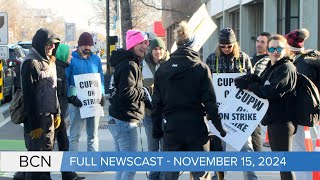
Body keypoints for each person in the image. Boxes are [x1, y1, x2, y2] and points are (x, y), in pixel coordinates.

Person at [152, 21, 226, 180]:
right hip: (196, 128)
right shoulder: (200, 68)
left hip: (172, 129)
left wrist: (157, 129)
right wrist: (219, 127)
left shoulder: (163, 69)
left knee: (170, 174)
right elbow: (210, 102)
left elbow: (156, 104)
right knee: (200, 174)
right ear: (193, 45)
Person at [235, 34, 297, 180]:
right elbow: (263, 83)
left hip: (283, 121)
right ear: (268, 50)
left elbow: (269, 91)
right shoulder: (273, 65)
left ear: (285, 49)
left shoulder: (286, 67)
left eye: (279, 48)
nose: (275, 51)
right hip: (274, 120)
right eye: (272, 48)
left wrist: (252, 85)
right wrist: (251, 79)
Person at [206, 28, 257, 180]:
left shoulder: (244, 58)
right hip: (219, 112)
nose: (226, 49)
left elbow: (253, 81)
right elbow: (206, 85)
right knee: (217, 148)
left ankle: (251, 177)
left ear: (235, 44)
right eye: (223, 46)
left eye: (229, 46)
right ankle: (218, 177)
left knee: (246, 147)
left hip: (240, 111)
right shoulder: (211, 59)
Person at [108, 29, 149, 180]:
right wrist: (143, 92)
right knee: (130, 167)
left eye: (145, 43)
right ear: (132, 44)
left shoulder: (124, 62)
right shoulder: (130, 64)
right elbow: (126, 93)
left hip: (118, 119)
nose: (144, 46)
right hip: (125, 121)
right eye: (140, 43)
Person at [20, 28, 61, 180]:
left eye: (54, 44)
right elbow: (29, 97)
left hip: (49, 119)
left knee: (46, 162)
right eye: (49, 44)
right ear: (40, 43)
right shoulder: (30, 63)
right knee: (35, 166)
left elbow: (53, 91)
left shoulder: (50, 62)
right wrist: (34, 125)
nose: (52, 47)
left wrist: (57, 113)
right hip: (36, 122)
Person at [285, 28, 320, 180]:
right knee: (314, 145)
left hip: (302, 114)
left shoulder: (298, 65)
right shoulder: (313, 58)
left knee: (300, 148)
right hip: (315, 113)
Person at [66, 32, 105, 152]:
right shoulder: (72, 59)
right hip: (76, 101)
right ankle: (73, 163)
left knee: (93, 134)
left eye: (90, 45)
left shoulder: (95, 59)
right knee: (74, 135)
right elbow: (67, 79)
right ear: (79, 45)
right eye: (85, 45)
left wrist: (102, 94)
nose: (88, 47)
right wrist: (71, 97)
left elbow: (100, 78)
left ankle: (92, 162)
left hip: (93, 101)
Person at [55, 44, 85, 180]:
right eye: (68, 54)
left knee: (64, 145)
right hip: (54, 116)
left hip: (59, 115)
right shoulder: (57, 70)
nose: (71, 56)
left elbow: (62, 94)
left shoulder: (61, 68)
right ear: (62, 55)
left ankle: (68, 175)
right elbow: (54, 94)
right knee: (48, 148)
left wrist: (71, 98)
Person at [142, 37, 169, 180]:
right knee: (153, 148)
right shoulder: (143, 64)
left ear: (165, 50)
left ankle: (165, 176)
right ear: (150, 50)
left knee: (165, 148)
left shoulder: (171, 64)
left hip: (166, 114)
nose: (158, 52)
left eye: (160, 49)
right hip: (149, 114)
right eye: (155, 49)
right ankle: (153, 176)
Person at [250, 32, 271, 151]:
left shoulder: (268, 62)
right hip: (247, 100)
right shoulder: (250, 59)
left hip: (261, 100)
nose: (259, 44)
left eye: (262, 42)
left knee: (255, 130)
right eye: (258, 41)